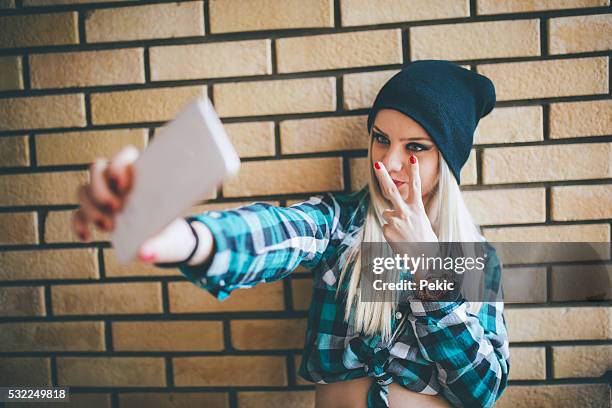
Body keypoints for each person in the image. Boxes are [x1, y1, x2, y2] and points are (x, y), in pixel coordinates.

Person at [72, 60, 510, 408]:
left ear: (446, 163)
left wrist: (427, 266)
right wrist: (185, 239)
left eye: (416, 147)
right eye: (381, 139)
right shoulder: (339, 223)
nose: (390, 162)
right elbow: (279, 233)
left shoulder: (475, 258)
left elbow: (484, 388)